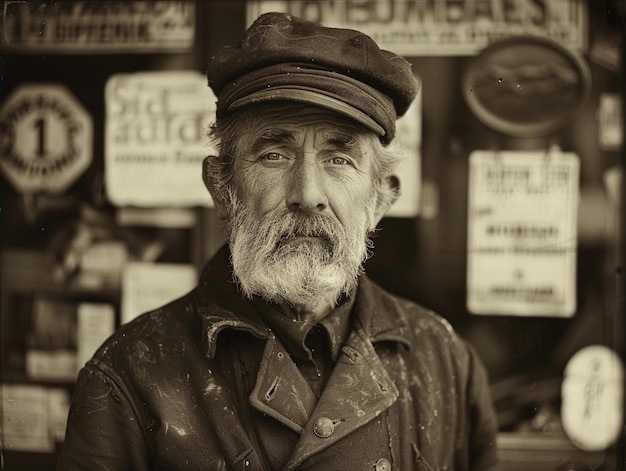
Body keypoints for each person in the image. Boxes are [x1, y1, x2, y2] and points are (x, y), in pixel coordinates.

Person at [58, 12, 498, 471]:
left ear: (381, 198)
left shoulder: (443, 362)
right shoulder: (133, 373)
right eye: (273, 154)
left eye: (339, 159)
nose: (307, 195)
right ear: (221, 190)